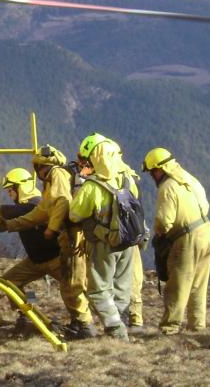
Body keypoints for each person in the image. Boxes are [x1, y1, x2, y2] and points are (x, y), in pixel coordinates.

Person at [0, 167, 95, 338]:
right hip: (35, 261)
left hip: (56, 259)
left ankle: (85, 324)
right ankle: (29, 311)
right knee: (10, 281)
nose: (9, 194)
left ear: (19, 188)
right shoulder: (29, 204)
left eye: (10, 190)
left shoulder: (36, 203)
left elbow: (16, 212)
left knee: (75, 290)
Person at [69, 133, 140, 341]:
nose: (85, 164)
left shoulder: (92, 186)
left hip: (103, 244)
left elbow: (75, 214)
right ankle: (121, 323)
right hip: (128, 244)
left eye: (87, 160)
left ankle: (115, 329)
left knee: (98, 290)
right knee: (122, 287)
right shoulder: (128, 180)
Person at [143, 147, 210, 335]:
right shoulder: (189, 179)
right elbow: (205, 206)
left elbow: (164, 221)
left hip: (186, 238)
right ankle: (197, 328)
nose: (152, 176)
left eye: (152, 172)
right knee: (199, 285)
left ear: (159, 170)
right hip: (206, 232)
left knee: (178, 284)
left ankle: (170, 327)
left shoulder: (167, 187)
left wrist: (159, 238)